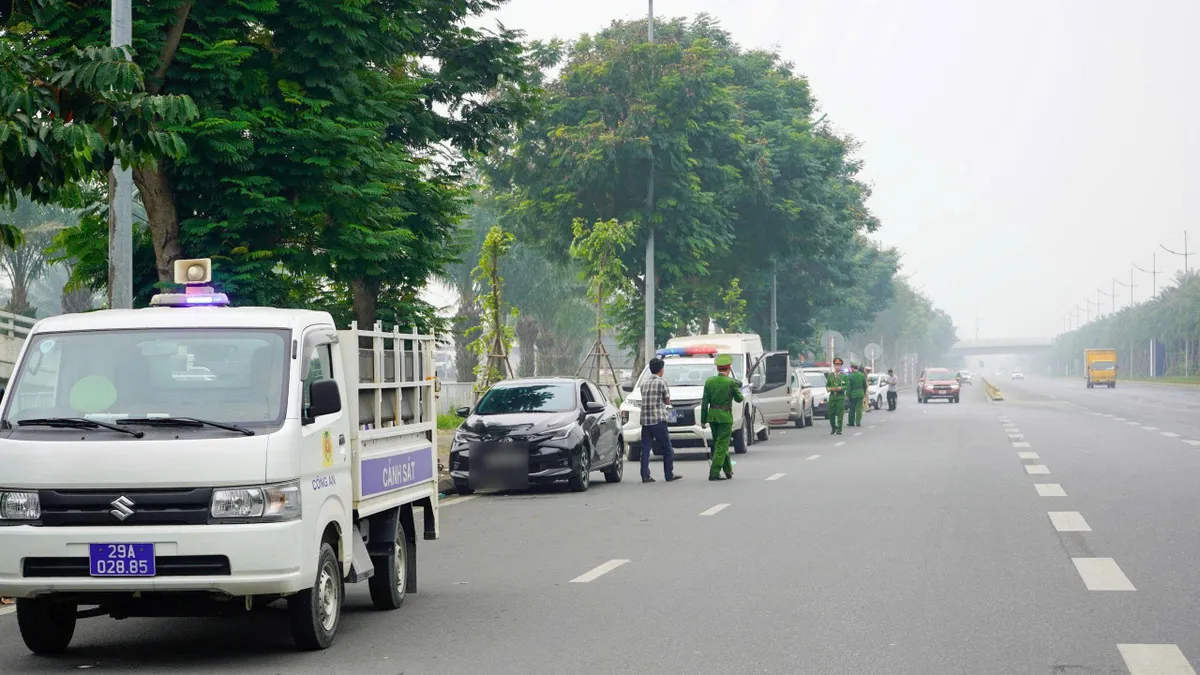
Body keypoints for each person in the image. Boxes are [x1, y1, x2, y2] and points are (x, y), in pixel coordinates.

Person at [638, 357, 681, 483]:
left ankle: (645, 475)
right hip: (658, 420)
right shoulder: (662, 382)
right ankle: (669, 474)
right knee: (667, 448)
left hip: (645, 420)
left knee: (645, 449)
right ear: (661, 370)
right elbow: (667, 401)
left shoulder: (644, 383)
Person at [701, 353, 743, 481]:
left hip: (712, 417)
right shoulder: (731, 382)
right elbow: (739, 399)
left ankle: (728, 470)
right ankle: (714, 472)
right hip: (725, 417)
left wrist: (703, 420)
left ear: (717, 368)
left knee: (719, 444)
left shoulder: (709, 381)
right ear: (729, 367)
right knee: (721, 445)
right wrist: (737, 388)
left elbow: (704, 402)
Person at [825, 357, 848, 435]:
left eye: (839, 365)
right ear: (834, 366)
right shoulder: (830, 375)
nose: (837, 367)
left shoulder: (844, 376)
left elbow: (847, 386)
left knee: (840, 413)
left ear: (841, 366)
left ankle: (839, 429)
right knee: (831, 413)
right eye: (836, 365)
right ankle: (833, 427)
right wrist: (828, 388)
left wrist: (841, 388)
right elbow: (827, 385)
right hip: (832, 396)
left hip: (840, 397)